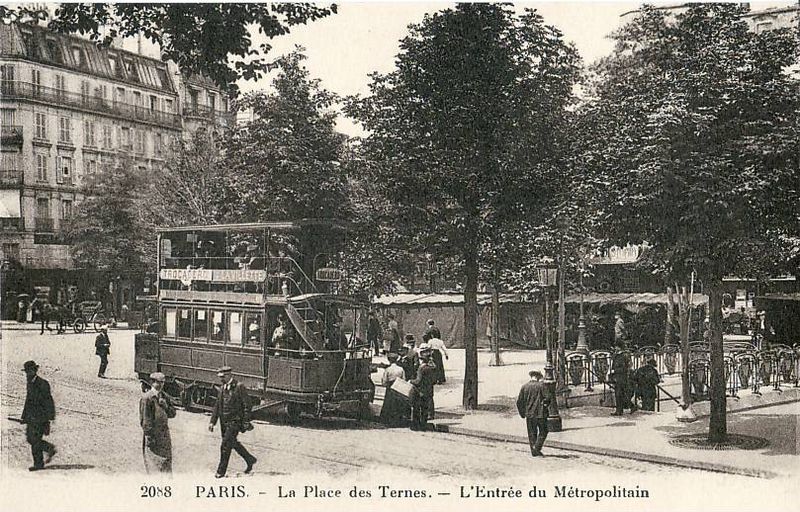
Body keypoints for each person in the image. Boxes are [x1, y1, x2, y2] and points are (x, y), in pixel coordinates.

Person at [208, 366, 257, 478]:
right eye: (220, 377)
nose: (221, 379)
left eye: (223, 377)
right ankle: (250, 459)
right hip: (223, 422)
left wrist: (245, 421)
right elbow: (217, 406)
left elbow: (247, 406)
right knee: (232, 443)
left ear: (229, 375)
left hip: (235, 422)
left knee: (225, 445)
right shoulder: (222, 388)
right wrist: (212, 422)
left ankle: (221, 471)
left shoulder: (239, 387)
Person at [21, 360, 57, 471]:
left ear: (35, 370)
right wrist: (24, 416)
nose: (27, 374)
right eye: (26, 371)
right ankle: (48, 448)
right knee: (31, 439)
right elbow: (28, 401)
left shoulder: (42, 383)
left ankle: (38, 464)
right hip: (32, 417)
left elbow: (48, 401)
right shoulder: (30, 382)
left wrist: (50, 417)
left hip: (41, 417)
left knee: (35, 440)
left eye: (29, 371)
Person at [139, 372, 176, 473]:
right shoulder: (147, 398)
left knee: (166, 464)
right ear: (152, 382)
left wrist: (166, 406)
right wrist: (149, 437)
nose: (161, 385)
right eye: (158, 382)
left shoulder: (164, 396)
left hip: (164, 436)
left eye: (163, 382)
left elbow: (173, 414)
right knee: (154, 465)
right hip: (153, 436)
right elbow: (145, 420)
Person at [516, 370, 549, 457]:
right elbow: (548, 398)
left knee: (532, 433)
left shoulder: (524, 387)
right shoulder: (541, 386)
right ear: (538, 377)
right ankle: (536, 448)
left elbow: (519, 402)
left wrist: (522, 413)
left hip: (529, 414)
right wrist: (545, 406)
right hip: (540, 413)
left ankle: (534, 450)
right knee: (544, 431)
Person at [409, 345, 437, 431]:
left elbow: (418, 381)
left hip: (420, 391)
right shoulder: (433, 367)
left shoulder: (422, 368)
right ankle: (423, 425)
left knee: (416, 408)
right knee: (425, 409)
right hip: (429, 390)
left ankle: (416, 425)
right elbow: (434, 380)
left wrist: (410, 381)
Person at [379, 353, 409, 426]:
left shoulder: (388, 369)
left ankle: (387, 420)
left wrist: (385, 384)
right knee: (398, 404)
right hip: (398, 386)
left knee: (389, 404)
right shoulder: (401, 369)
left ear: (389, 360)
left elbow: (384, 381)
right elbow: (404, 379)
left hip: (390, 387)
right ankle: (398, 420)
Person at [609, 341, 637, 415]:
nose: (615, 348)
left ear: (619, 347)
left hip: (623, 376)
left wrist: (623, 371)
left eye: (616, 346)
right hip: (618, 376)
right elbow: (614, 365)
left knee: (621, 394)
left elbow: (628, 366)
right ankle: (621, 410)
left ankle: (626, 408)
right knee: (619, 394)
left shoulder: (624, 355)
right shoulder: (616, 355)